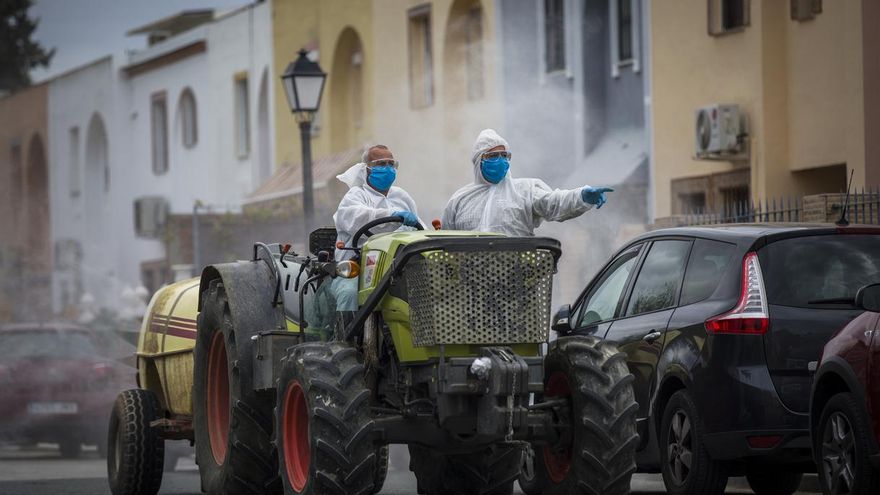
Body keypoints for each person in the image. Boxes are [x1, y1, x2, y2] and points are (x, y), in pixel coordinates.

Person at [441, 129, 612, 236]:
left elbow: (553, 203)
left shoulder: (525, 190)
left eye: (504, 155)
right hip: (469, 288)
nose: (500, 160)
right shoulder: (460, 200)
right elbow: (443, 241)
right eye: (493, 156)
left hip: (517, 282)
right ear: (478, 161)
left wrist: (581, 195)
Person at [328, 144, 421, 326]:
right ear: (367, 170)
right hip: (358, 266)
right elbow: (357, 218)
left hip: (398, 264)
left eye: (390, 164)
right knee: (347, 293)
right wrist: (392, 216)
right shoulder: (355, 196)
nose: (387, 168)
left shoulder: (402, 197)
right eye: (380, 164)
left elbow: (419, 229)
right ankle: (345, 339)